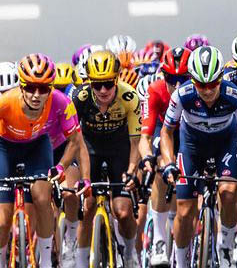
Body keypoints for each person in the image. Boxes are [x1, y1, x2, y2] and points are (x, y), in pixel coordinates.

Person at [161, 46, 237, 268]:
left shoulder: (235, 96)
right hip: (192, 146)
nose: (208, 90)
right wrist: (169, 163)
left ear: (221, 78)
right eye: (201, 85)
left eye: (213, 84)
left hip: (224, 144)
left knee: (230, 192)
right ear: (192, 80)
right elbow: (166, 132)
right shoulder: (182, 95)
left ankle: (226, 246)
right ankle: (181, 262)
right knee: (184, 208)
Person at [0, 54, 86, 268]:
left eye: (43, 89)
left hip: (37, 147)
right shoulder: (5, 102)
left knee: (41, 198)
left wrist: (61, 166)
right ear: (21, 86)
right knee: (2, 219)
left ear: (51, 88)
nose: (36, 95)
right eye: (30, 88)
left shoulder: (61, 102)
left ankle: (46, 261)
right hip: (4, 148)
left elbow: (75, 141)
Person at [73, 50, 141, 268]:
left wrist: (131, 170)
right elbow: (75, 141)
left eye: (108, 84)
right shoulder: (79, 98)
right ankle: (81, 261)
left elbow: (135, 142)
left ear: (117, 79)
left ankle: (130, 254)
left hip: (119, 150)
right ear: (90, 82)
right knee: (88, 206)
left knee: (122, 210)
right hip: (89, 149)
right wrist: (84, 178)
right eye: (96, 84)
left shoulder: (129, 97)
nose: (103, 90)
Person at [139, 47, 191, 266]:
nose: (177, 86)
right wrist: (148, 158)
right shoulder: (155, 91)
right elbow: (145, 136)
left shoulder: (199, 92)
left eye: (183, 79)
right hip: (165, 130)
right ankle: (159, 240)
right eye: (171, 79)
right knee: (161, 166)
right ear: (164, 77)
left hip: (189, 132)